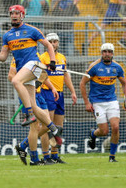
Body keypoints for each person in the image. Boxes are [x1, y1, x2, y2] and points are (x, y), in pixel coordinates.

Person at [0, 5, 63, 146]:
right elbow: (3, 57)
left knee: (16, 81)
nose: (14, 16)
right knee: (33, 104)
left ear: (22, 15)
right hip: (25, 70)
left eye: (17, 13)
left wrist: (52, 61)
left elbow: (49, 46)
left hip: (35, 64)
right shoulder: (7, 36)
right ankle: (53, 128)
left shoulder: (32, 30)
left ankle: (29, 114)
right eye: (11, 13)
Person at [80, 43, 126, 162]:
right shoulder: (94, 67)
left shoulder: (117, 68)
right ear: (101, 53)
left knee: (116, 127)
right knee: (104, 131)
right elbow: (82, 83)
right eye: (104, 51)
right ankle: (93, 134)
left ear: (112, 53)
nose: (107, 54)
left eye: (109, 51)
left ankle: (112, 157)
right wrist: (87, 103)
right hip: (97, 102)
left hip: (112, 101)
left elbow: (125, 83)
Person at [12, 58, 59, 166]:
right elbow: (12, 76)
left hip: (39, 95)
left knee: (47, 125)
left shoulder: (36, 57)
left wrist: (52, 88)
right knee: (35, 127)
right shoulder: (17, 58)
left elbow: (43, 75)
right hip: (28, 96)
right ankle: (34, 159)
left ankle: (23, 145)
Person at [39, 33, 78, 164]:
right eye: (50, 42)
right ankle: (45, 156)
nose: (53, 44)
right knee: (46, 126)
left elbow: (66, 76)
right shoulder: (43, 58)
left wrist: (72, 91)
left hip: (60, 94)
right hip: (47, 93)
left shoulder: (62, 58)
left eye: (55, 41)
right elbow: (42, 77)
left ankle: (54, 155)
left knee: (58, 127)